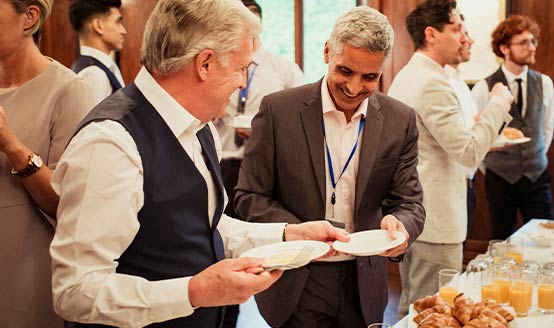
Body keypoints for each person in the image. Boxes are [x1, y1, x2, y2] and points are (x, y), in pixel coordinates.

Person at [49, 1, 348, 327]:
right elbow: (75, 290)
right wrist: (193, 292)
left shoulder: (200, 128)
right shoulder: (110, 144)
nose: (242, 84)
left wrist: (289, 235)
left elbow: (206, 227)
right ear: (205, 63)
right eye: (241, 68)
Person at [234, 6, 425, 327]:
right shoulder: (279, 111)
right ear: (326, 52)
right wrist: (298, 234)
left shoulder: (400, 120)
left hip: (363, 281)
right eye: (345, 71)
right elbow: (249, 196)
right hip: (297, 277)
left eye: (369, 77)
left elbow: (409, 202)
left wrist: (401, 225)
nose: (353, 88)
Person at [387, 0, 513, 316]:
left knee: (413, 307)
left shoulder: (410, 75)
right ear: (431, 34)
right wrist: (498, 104)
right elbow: (469, 152)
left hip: (415, 212)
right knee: (434, 312)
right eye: (456, 29)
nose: (464, 37)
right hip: (435, 217)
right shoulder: (431, 82)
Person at [0, 0, 95, 326]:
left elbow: (69, 204)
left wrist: (12, 146)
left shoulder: (69, 91)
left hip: (31, 275)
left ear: (29, 17)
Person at [215, 0, 304, 220]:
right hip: (223, 164)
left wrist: (266, 133)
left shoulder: (285, 70)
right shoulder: (217, 67)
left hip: (265, 169)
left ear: (257, 25)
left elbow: (301, 120)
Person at [471, 15, 554, 240]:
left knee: (544, 238)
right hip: (500, 178)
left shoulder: (544, 83)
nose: (531, 47)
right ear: (504, 48)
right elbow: (474, 131)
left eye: (533, 42)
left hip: (537, 176)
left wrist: (534, 157)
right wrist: (491, 167)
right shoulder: (483, 86)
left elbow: (546, 129)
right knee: (501, 240)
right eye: (524, 43)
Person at [444, 15, 480, 231]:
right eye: (460, 32)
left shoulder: (460, 83)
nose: (468, 40)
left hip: (466, 182)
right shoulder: (440, 83)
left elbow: (470, 127)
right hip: (448, 187)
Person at [68, 0, 127, 104]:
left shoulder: (99, 67)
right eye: (118, 22)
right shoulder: (94, 74)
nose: (123, 31)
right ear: (98, 26)